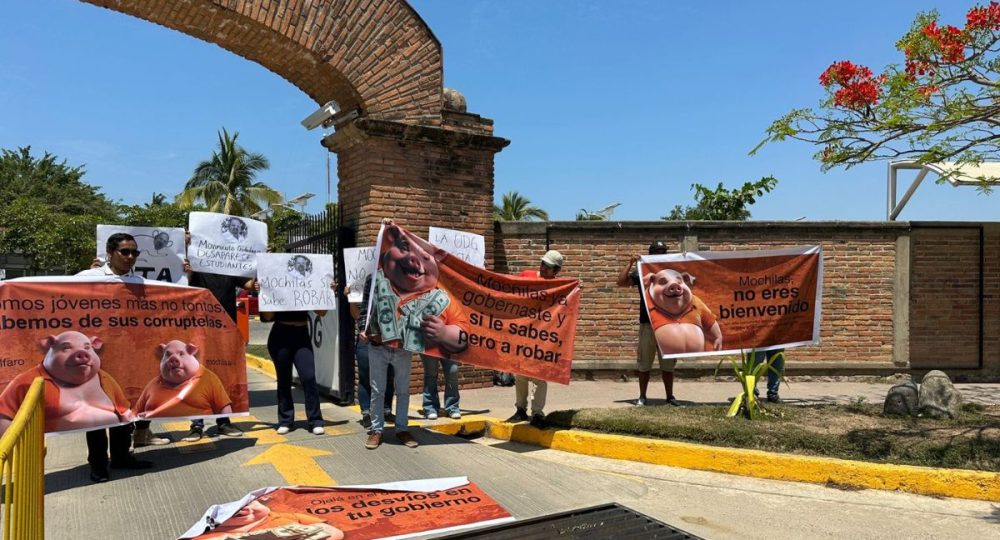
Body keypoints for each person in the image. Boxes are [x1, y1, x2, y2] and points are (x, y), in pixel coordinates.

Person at [75, 232, 154, 482]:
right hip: (97, 359)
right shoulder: (88, 278)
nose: (131, 257)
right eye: (125, 252)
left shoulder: (141, 283)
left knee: (124, 408)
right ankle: (98, 464)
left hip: (127, 358)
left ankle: (121, 457)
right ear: (110, 253)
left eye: (135, 253)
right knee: (97, 413)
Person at [181, 233, 252, 441]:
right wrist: (184, 248)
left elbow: (249, 284)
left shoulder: (229, 267)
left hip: (225, 329)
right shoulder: (195, 267)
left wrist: (265, 262)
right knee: (196, 375)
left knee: (223, 376)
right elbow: (183, 282)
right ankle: (196, 424)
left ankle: (224, 422)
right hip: (198, 328)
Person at [617, 240, 680, 406]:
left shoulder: (673, 273)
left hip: (668, 324)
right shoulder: (641, 272)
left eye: (663, 252)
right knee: (644, 363)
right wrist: (631, 263)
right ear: (650, 255)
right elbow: (621, 282)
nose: (660, 255)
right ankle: (642, 396)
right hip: (647, 324)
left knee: (668, 364)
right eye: (657, 252)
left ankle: (670, 396)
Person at [257, 283, 325, 436]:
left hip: (301, 335)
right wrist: (264, 292)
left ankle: (315, 420)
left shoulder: (307, 283)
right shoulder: (278, 283)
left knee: (308, 377)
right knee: (284, 379)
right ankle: (285, 420)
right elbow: (268, 316)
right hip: (280, 335)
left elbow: (322, 311)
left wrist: (326, 291)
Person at [508, 249, 565, 428]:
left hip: (544, 337)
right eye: (543, 263)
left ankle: (538, 413)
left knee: (540, 376)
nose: (543, 268)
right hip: (524, 333)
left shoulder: (561, 287)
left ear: (556, 270)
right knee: (520, 374)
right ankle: (520, 410)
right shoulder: (527, 276)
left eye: (548, 266)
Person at [347, 276, 395, 429]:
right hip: (366, 338)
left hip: (387, 337)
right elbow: (356, 316)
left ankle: (386, 410)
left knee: (389, 374)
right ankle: (366, 413)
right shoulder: (364, 288)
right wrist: (350, 296)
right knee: (365, 375)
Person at [421, 353, 460, 420]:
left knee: (452, 371)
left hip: (450, 345)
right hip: (430, 344)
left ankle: (452, 407)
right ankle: (430, 407)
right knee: (431, 373)